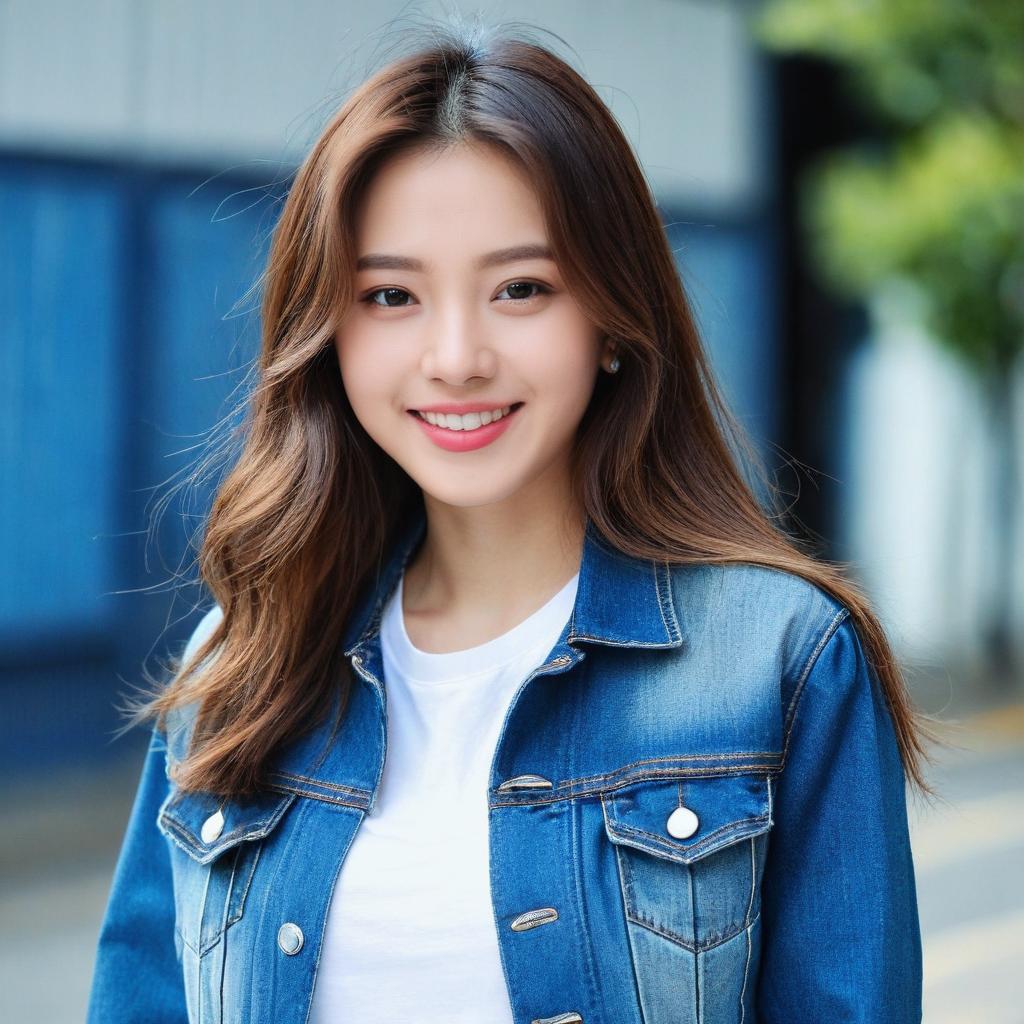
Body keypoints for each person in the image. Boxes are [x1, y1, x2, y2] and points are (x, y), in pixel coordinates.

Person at [86, 17, 941, 1024]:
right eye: (392, 294)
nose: (455, 355)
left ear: (613, 322)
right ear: (329, 333)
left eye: (520, 288)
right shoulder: (239, 665)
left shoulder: (781, 664)